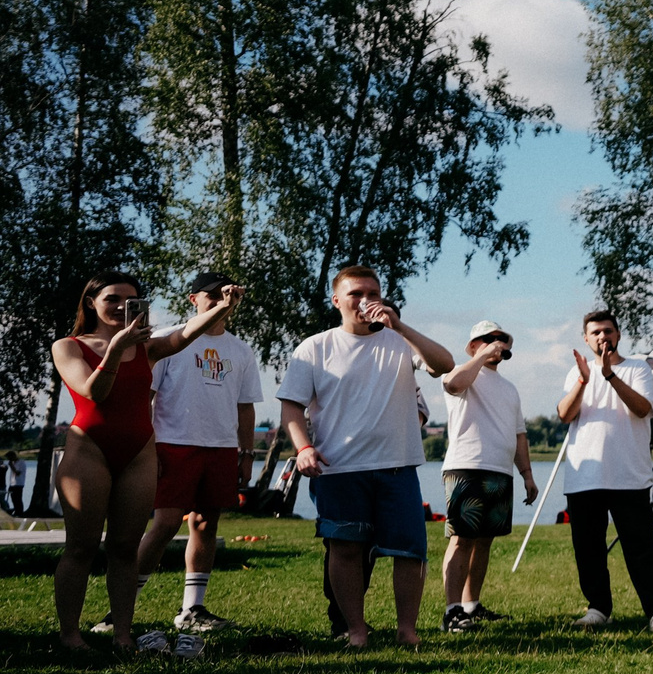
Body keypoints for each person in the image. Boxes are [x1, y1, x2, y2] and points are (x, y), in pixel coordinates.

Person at [50, 274, 243, 652]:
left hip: (138, 453)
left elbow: (186, 334)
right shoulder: (68, 346)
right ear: (91, 303)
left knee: (124, 547)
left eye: (132, 300)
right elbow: (94, 393)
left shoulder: (148, 349)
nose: (123, 307)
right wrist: (116, 348)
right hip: (88, 450)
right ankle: (70, 635)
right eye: (112, 299)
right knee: (81, 548)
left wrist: (223, 307)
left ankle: (123, 634)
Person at [278, 266, 455, 649]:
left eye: (372, 293)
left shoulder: (399, 342)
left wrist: (401, 328)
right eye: (356, 293)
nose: (365, 301)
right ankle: (355, 631)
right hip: (340, 468)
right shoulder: (314, 347)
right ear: (336, 300)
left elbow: (445, 364)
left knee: (409, 551)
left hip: (397, 466)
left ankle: (407, 630)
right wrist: (303, 449)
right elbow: (291, 409)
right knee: (345, 550)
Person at [135, 272, 263, 633]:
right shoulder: (169, 340)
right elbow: (145, 398)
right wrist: (149, 448)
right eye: (211, 296)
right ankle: (122, 607)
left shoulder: (240, 349)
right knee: (165, 525)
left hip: (221, 448)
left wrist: (247, 453)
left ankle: (192, 610)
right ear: (194, 299)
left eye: (226, 295)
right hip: (174, 444)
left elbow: (245, 407)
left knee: (206, 524)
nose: (220, 301)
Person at [557, 310, 653, 631]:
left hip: (628, 475)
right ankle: (598, 608)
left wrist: (609, 375)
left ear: (618, 335)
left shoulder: (638, 368)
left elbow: (642, 408)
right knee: (588, 548)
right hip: (584, 478)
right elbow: (565, 415)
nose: (602, 337)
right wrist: (584, 379)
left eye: (608, 331)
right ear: (585, 338)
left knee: (641, 547)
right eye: (595, 332)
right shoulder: (576, 373)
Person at [439, 319, 535, 632]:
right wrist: (480, 357)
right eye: (488, 339)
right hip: (466, 466)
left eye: (501, 339)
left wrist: (527, 475)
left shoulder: (510, 389)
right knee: (462, 539)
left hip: (499, 471)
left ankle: (471, 605)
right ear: (473, 345)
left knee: (484, 542)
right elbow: (453, 384)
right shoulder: (462, 372)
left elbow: (520, 435)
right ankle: (452, 611)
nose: (497, 344)